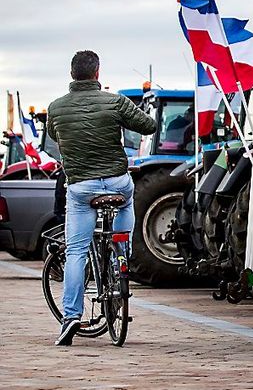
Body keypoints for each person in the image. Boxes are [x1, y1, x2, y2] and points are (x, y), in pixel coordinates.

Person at [46, 50, 156, 346]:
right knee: (126, 213)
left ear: (72, 74)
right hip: (118, 184)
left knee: (76, 252)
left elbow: (54, 137)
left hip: (82, 188)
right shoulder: (115, 101)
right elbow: (149, 126)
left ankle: (71, 317)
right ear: (97, 73)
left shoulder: (56, 108)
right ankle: (122, 257)